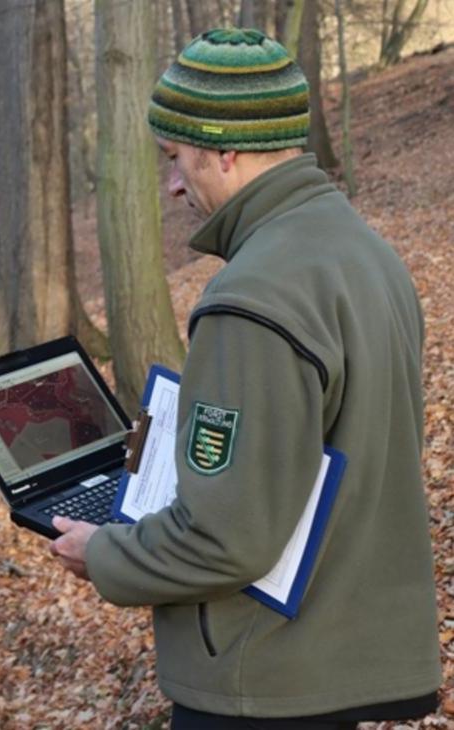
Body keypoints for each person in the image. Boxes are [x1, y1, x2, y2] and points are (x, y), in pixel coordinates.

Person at [49, 28, 442, 729]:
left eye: (175, 158)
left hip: (260, 680)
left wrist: (103, 553)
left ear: (223, 150)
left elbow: (225, 539)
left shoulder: (251, 296)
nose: (171, 184)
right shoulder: (363, 253)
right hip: (333, 659)